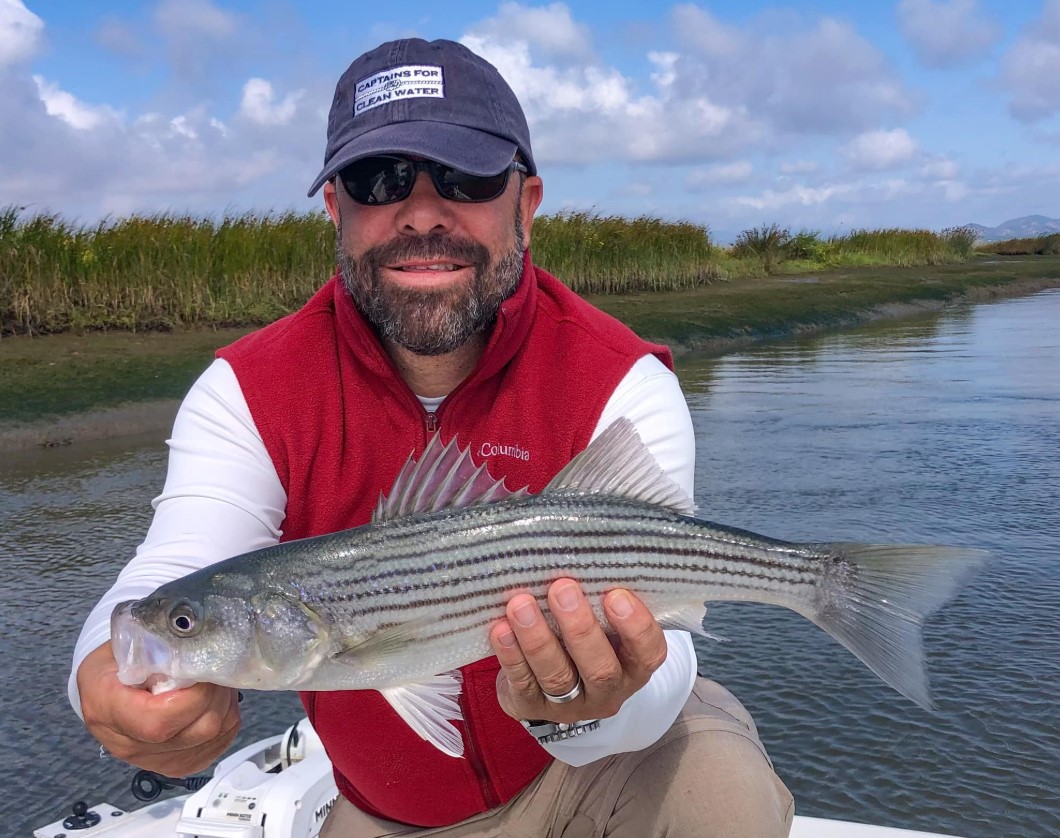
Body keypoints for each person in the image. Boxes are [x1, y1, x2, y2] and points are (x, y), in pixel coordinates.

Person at [70, 38, 794, 837]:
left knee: (722, 794)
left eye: (467, 177)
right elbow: (176, 565)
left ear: (527, 204)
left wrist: (587, 709)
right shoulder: (246, 388)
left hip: (608, 769)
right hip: (391, 810)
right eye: (378, 180)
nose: (421, 213)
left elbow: (669, 625)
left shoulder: (622, 376)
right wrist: (101, 681)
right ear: (334, 210)